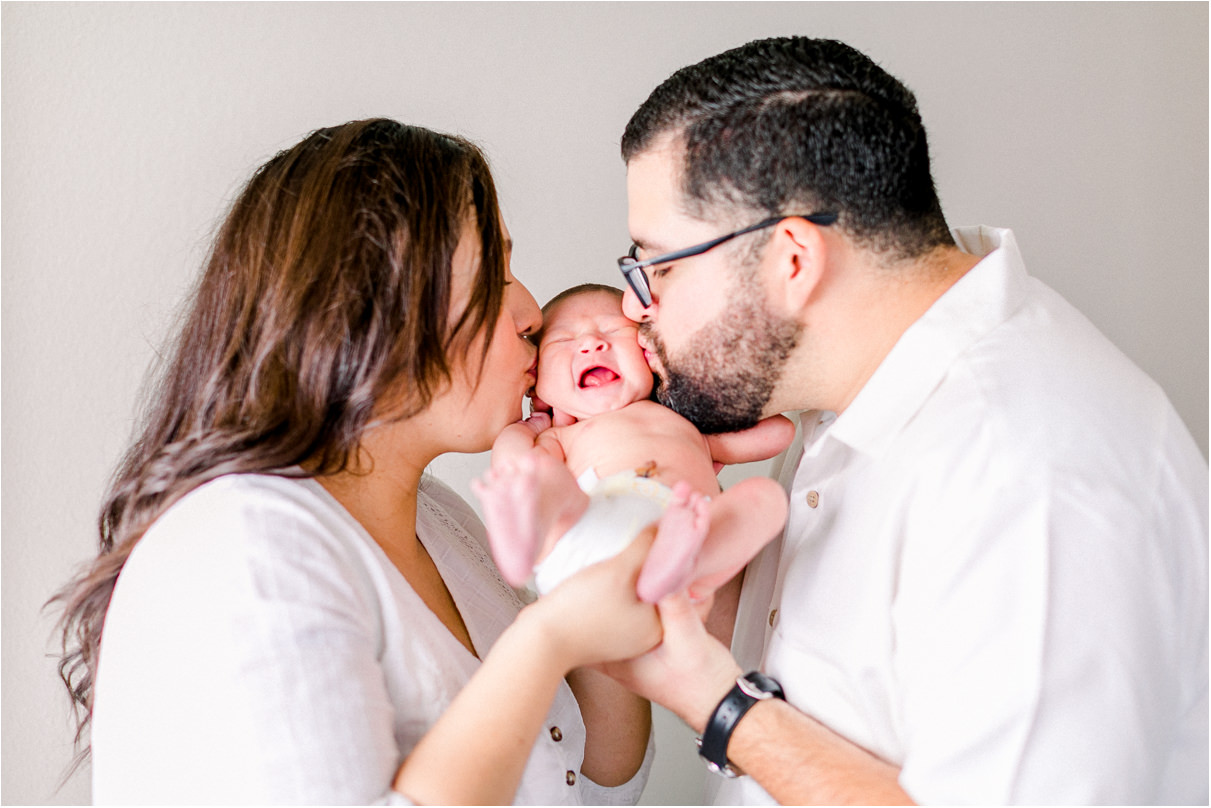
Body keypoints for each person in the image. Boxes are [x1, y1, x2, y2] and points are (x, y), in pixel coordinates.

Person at [603, 37, 1209, 805]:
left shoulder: (1028, 474)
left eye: (656, 266)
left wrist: (714, 703)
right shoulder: (860, 381)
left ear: (791, 260)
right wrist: (682, 569)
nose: (632, 307)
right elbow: (844, 680)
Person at [48, 118, 661, 805]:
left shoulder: (441, 522)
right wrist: (547, 640)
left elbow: (593, 787)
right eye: (494, 272)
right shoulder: (249, 549)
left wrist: (607, 531)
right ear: (371, 303)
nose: (529, 313)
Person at [472, 283, 793, 603]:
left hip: (688, 538)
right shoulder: (561, 437)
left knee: (768, 499)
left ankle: (682, 568)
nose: (591, 344)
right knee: (542, 477)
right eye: (564, 340)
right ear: (537, 384)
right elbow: (514, 464)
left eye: (613, 331)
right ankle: (524, 544)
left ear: (648, 353)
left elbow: (779, 433)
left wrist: (680, 379)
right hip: (592, 533)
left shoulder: (682, 422)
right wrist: (528, 428)